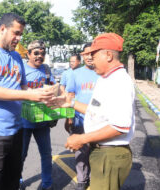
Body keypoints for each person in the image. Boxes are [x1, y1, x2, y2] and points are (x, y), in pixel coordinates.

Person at [0, 13, 54, 190]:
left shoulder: (15, 57)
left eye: (21, 34)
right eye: (15, 33)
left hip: (16, 128)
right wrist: (30, 96)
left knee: (12, 179)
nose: (18, 38)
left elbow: (21, 87)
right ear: (2, 29)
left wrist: (41, 93)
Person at [51, 33, 135, 190]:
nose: (90, 60)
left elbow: (121, 126)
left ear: (108, 55)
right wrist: (70, 103)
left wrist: (81, 139)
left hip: (109, 154)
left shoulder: (119, 82)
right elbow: (96, 112)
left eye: (93, 55)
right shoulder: (106, 78)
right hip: (102, 152)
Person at [20, 40, 56, 190]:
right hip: (24, 121)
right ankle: (18, 181)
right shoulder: (21, 69)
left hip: (42, 121)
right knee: (21, 155)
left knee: (47, 155)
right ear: (28, 54)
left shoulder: (46, 69)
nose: (39, 56)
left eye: (42, 53)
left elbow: (53, 88)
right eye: (36, 53)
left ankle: (47, 185)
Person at [65, 44, 99, 190]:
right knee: (81, 152)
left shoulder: (103, 73)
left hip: (99, 121)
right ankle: (82, 180)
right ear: (83, 56)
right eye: (86, 54)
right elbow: (70, 96)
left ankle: (96, 179)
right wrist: (69, 118)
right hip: (80, 120)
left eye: (92, 53)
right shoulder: (75, 74)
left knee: (97, 152)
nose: (89, 57)